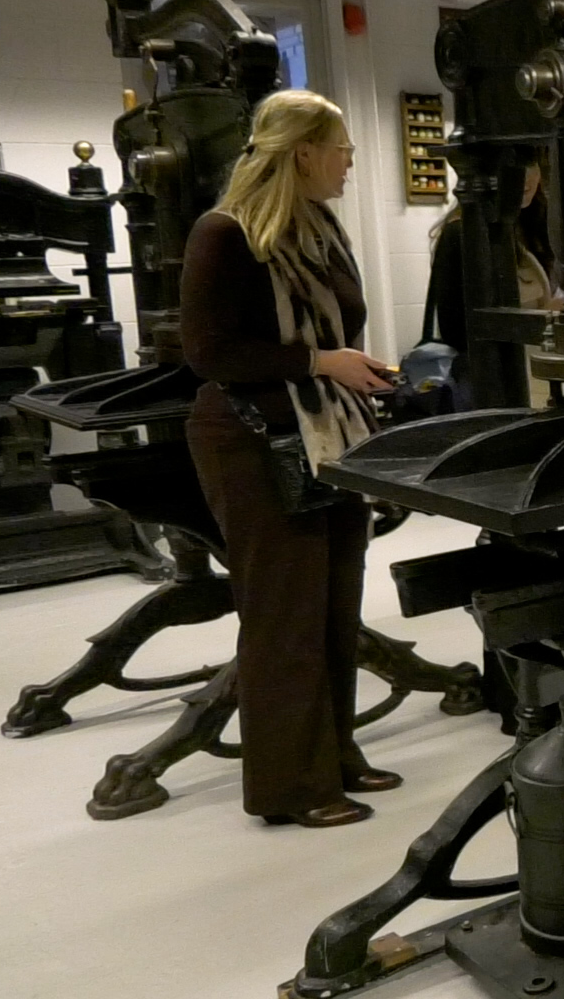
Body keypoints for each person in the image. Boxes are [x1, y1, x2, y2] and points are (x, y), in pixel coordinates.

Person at [182, 90, 398, 829]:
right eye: (340, 148)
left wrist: (343, 367)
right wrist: (319, 361)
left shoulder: (318, 229)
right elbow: (208, 352)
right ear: (302, 151)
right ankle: (287, 785)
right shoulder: (225, 234)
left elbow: (329, 340)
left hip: (326, 438)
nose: (348, 163)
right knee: (284, 617)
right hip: (253, 441)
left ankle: (335, 754)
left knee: (336, 606)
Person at [426, 154, 561, 407]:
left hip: (538, 379)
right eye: (511, 166)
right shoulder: (461, 234)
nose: (526, 178)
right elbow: (455, 329)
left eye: (530, 165)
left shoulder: (530, 226)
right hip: (494, 385)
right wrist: (541, 317)